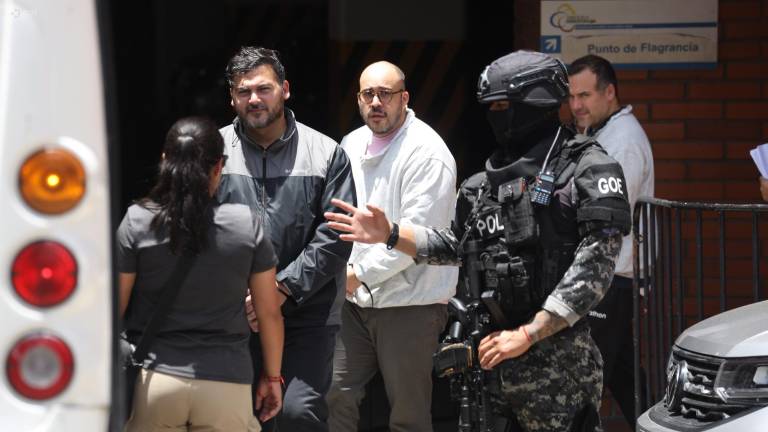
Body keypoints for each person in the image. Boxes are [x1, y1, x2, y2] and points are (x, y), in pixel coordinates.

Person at [325, 50, 632, 431]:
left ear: (534, 103)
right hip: (490, 366)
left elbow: (593, 272)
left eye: (505, 105)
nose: (496, 116)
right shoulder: (485, 184)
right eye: (492, 106)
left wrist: (527, 334)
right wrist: (390, 234)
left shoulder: (587, 170)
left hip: (558, 366)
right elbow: (456, 245)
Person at [217, 46, 356, 432]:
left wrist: (282, 288)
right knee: (235, 419)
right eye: (243, 92)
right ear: (232, 97)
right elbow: (196, 229)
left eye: (264, 89)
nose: (254, 99)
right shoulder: (212, 153)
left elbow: (336, 236)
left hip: (306, 313)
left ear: (285, 89)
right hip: (232, 315)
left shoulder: (327, 153)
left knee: (297, 414)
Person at [117, 116, 284, 432]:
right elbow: (269, 313)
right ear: (219, 166)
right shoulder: (245, 224)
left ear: (165, 161)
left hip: (154, 382)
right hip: (227, 383)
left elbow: (114, 312)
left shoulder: (137, 221)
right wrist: (272, 377)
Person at [325, 61, 459, 432]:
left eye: (386, 93)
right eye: (368, 94)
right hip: (354, 301)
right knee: (335, 394)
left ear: (405, 98)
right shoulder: (349, 144)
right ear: (358, 99)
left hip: (411, 303)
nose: (376, 102)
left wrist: (356, 275)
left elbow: (422, 237)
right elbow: (335, 218)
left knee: (408, 414)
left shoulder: (427, 152)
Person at [568, 54, 654, 429]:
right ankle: (658, 423)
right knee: (622, 374)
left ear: (610, 93)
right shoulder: (602, 134)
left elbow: (610, 218)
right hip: (609, 277)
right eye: (571, 97)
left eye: (585, 95)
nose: (576, 106)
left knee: (582, 378)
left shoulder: (623, 141)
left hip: (610, 276)